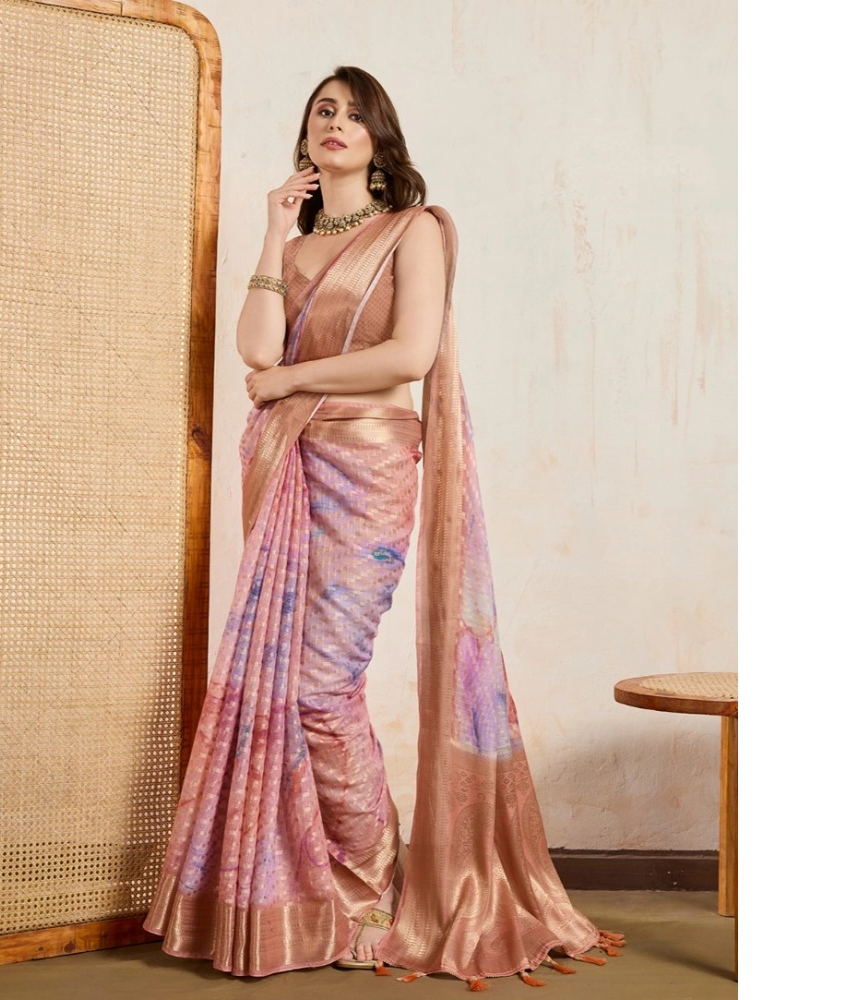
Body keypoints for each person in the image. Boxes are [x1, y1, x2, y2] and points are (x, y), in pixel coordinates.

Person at [144, 66, 624, 988]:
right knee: (282, 686)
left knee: (321, 685)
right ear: (306, 135)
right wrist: (273, 230)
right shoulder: (293, 246)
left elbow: (408, 353)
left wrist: (293, 381)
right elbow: (253, 345)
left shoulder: (414, 230)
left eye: (355, 114)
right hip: (287, 466)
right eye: (323, 110)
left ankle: (373, 888)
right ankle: (319, 885)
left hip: (367, 469)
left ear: (379, 139)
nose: (337, 122)